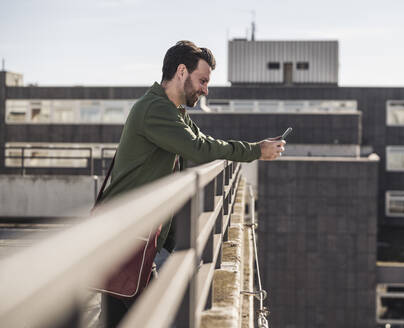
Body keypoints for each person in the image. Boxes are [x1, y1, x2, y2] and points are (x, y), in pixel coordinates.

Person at [97, 40, 285, 327]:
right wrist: (255, 150)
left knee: (119, 318)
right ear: (182, 71)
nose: (205, 89)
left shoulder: (175, 113)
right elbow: (198, 148)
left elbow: (203, 144)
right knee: (157, 316)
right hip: (126, 237)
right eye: (203, 80)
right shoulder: (155, 110)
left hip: (135, 238)